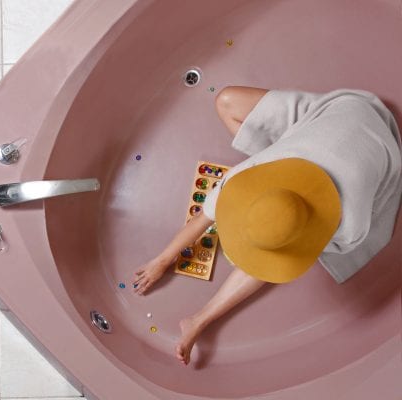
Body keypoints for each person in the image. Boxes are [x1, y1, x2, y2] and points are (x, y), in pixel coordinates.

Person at [133, 86, 402, 366]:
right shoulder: (245, 174)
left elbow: (293, 250)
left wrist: (281, 239)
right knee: (226, 101)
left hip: (376, 139)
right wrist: (162, 261)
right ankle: (276, 233)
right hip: (340, 112)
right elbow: (204, 217)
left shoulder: (351, 226)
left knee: (279, 243)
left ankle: (199, 320)